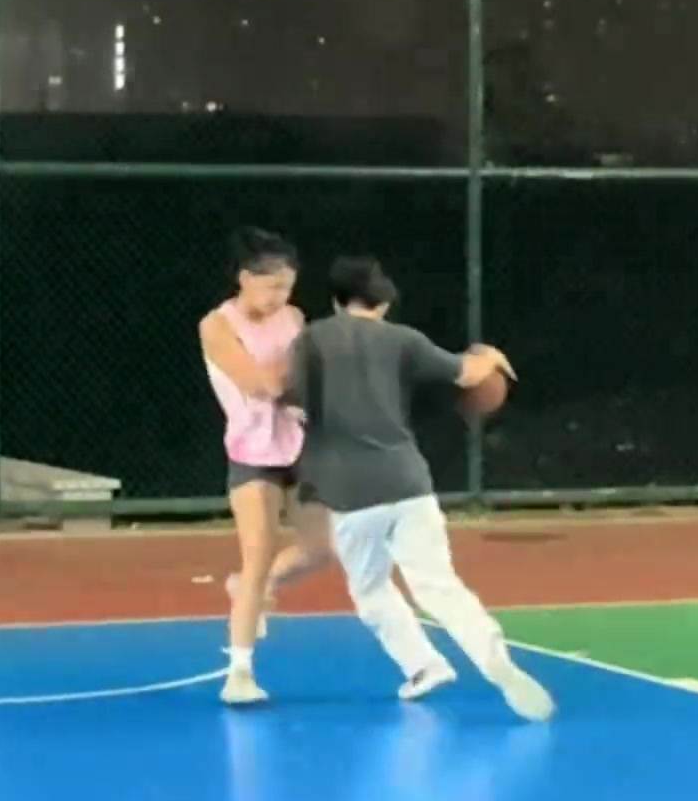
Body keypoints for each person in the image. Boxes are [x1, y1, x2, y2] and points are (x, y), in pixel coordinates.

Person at [286, 254, 555, 722]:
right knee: (438, 585)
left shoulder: (310, 340)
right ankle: (495, 659)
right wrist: (489, 355)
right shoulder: (403, 339)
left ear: (335, 300)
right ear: (384, 302)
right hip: (409, 482)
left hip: (350, 492)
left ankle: (424, 665)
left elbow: (292, 401)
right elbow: (467, 374)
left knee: (371, 590)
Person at [199, 227, 331, 704]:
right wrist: (299, 363)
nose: (281, 297)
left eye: (288, 287)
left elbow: (308, 378)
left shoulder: (292, 317)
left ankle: (255, 586)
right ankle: (239, 674)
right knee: (257, 555)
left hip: (300, 445)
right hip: (252, 452)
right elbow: (261, 385)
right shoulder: (217, 326)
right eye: (272, 286)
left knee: (322, 548)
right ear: (245, 278)